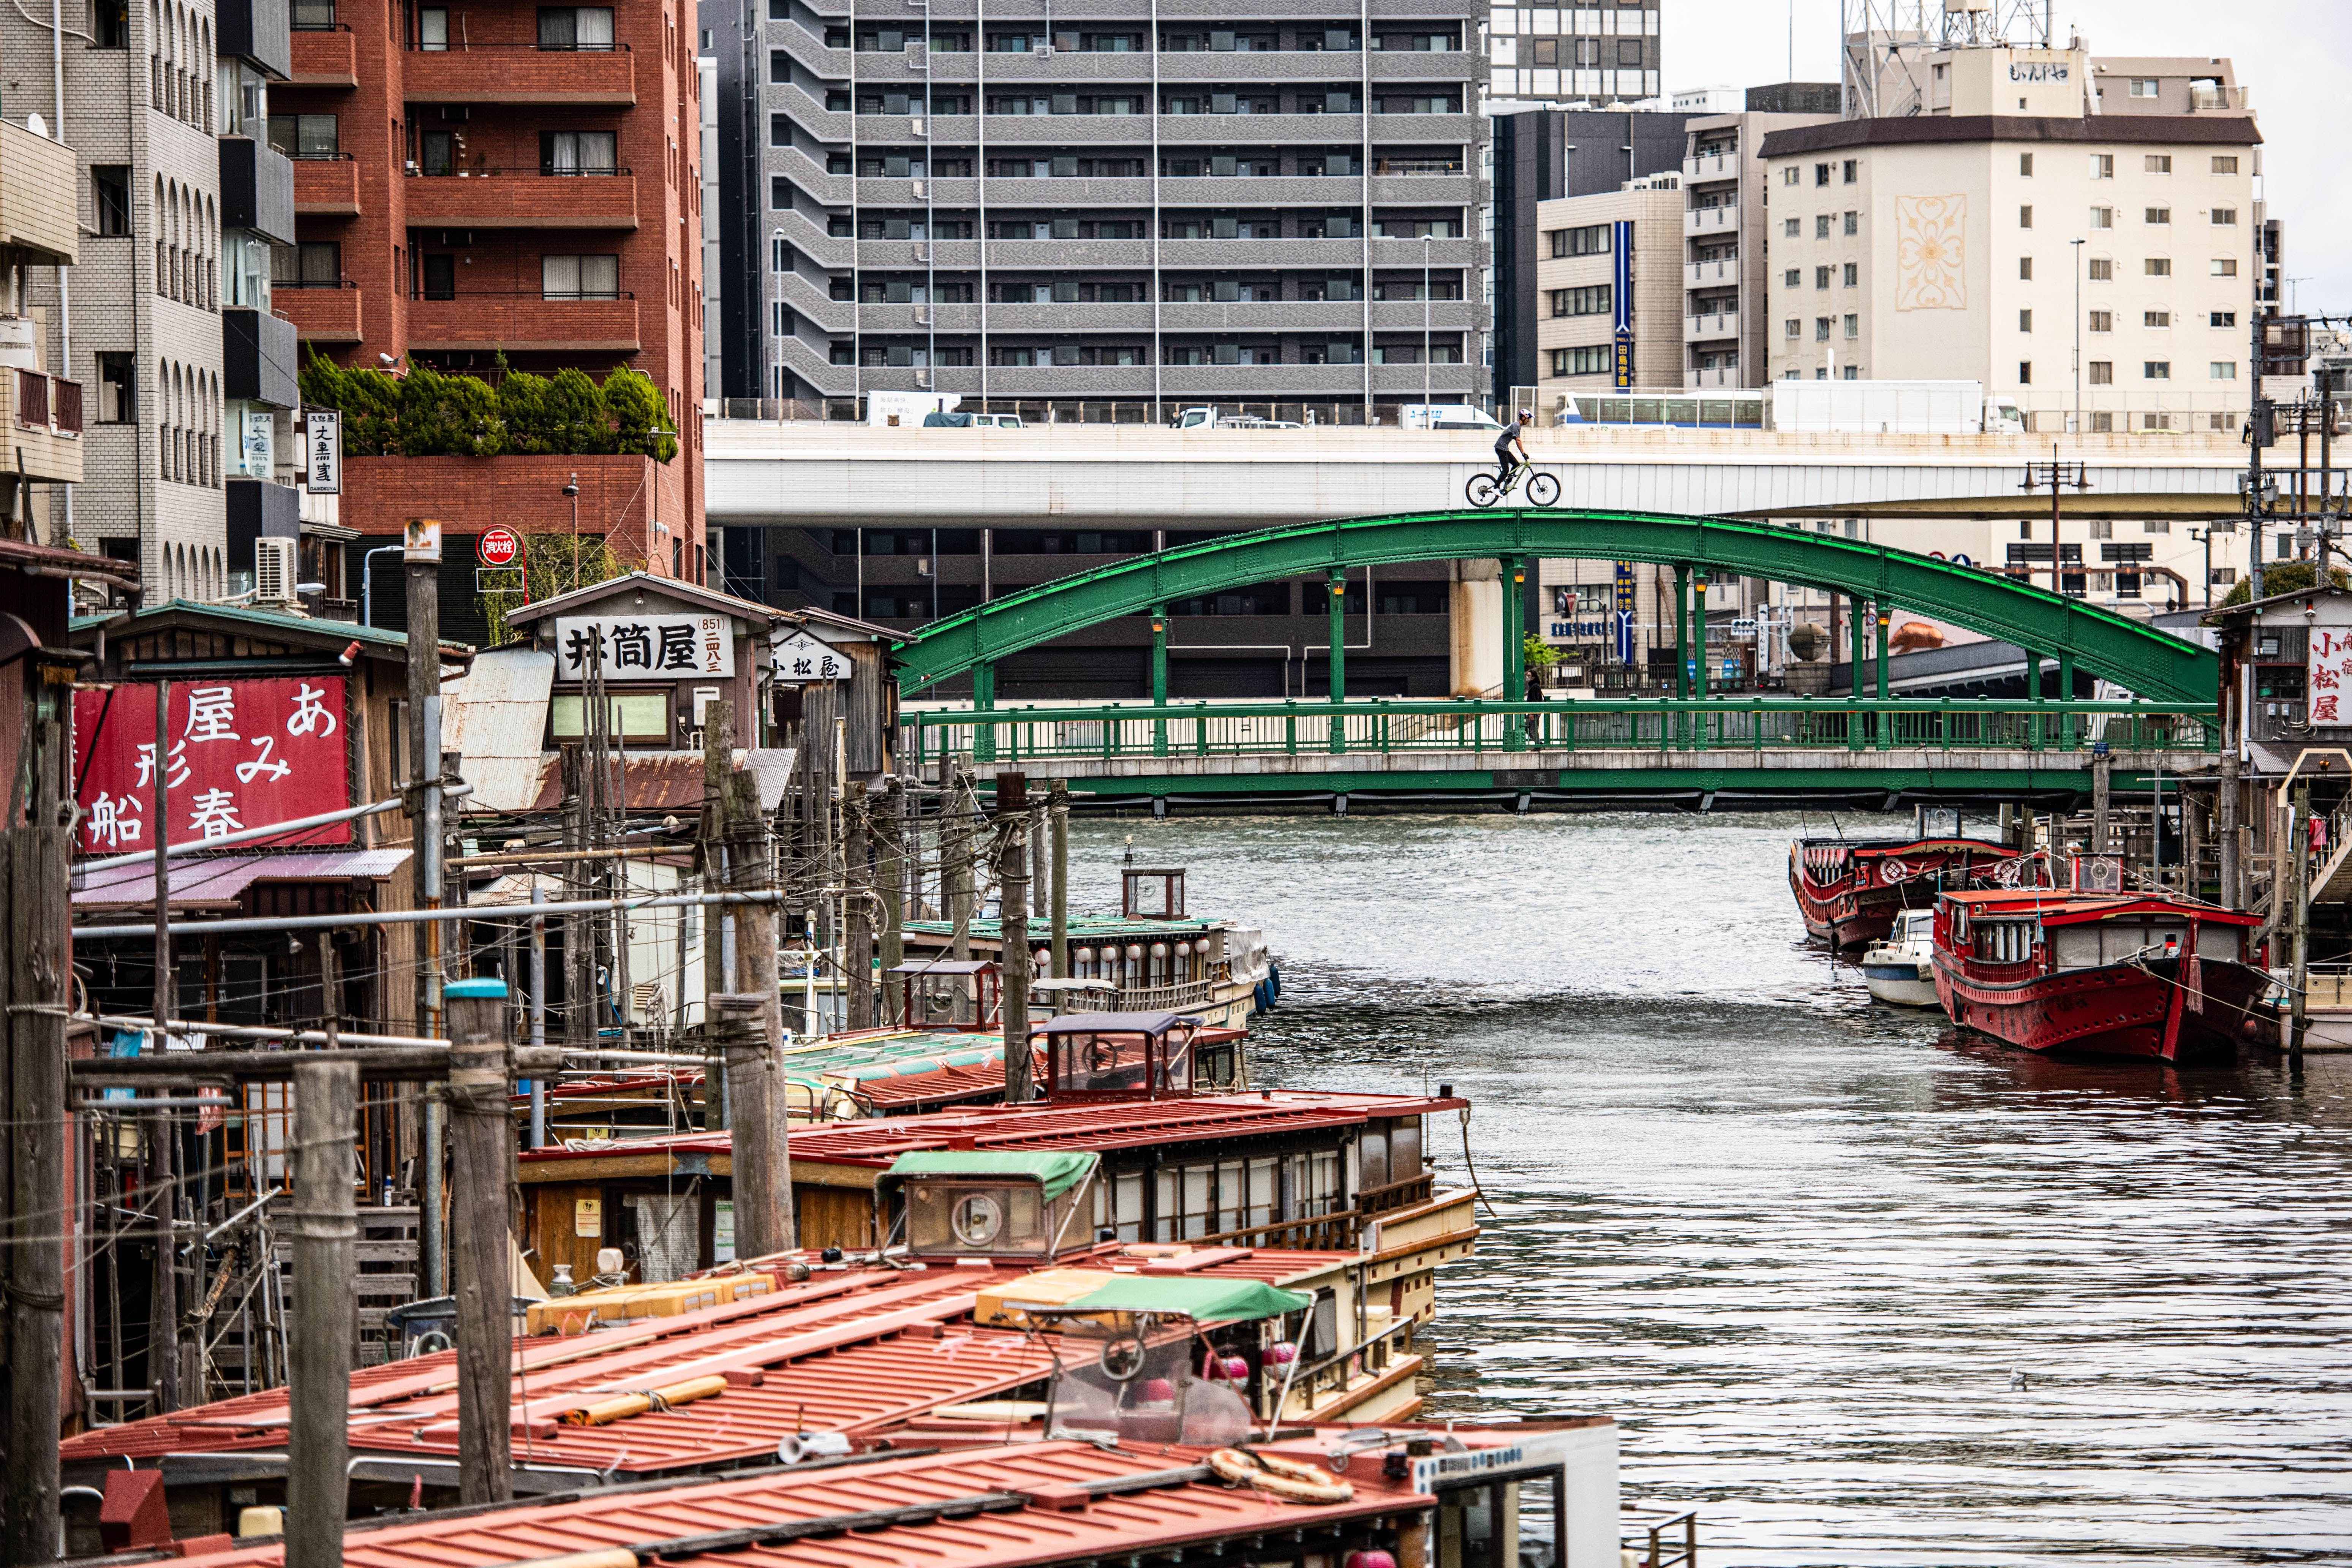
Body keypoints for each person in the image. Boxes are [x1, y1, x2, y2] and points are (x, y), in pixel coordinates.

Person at [1491, 411, 1532, 494]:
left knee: (1516, 464)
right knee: (1506, 471)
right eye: (1528, 419)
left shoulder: (1517, 426)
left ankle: (1508, 483)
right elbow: (1518, 440)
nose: (1529, 421)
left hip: (1504, 448)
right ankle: (1496, 488)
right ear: (1523, 418)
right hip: (1501, 449)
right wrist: (1523, 453)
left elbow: (1517, 440)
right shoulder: (1516, 426)